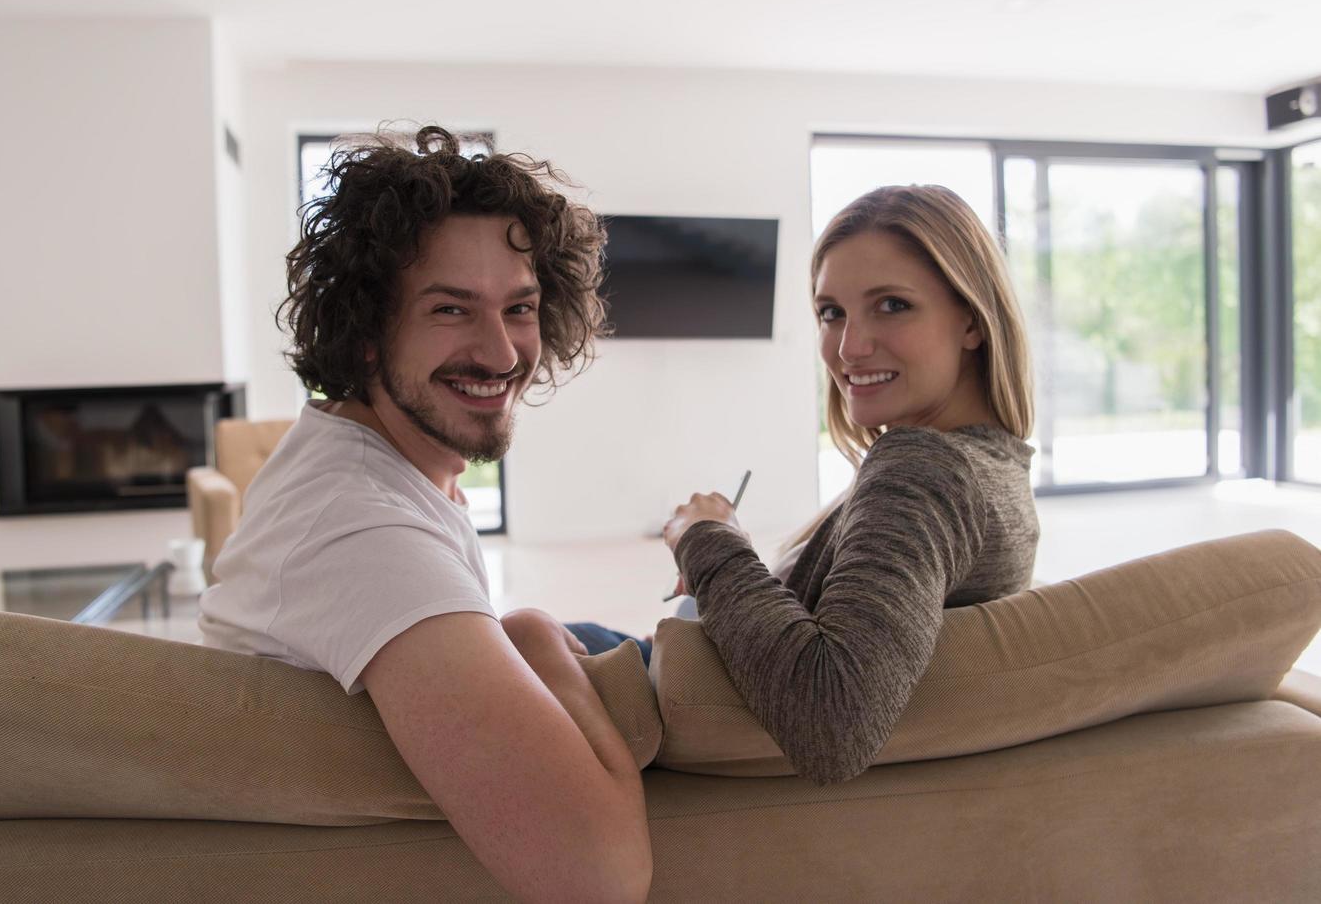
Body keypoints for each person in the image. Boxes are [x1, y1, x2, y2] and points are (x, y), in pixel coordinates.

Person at [199, 126, 651, 902]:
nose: (503, 353)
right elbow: (596, 879)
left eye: (519, 307)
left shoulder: (380, 468)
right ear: (366, 332)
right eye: (450, 309)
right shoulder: (361, 529)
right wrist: (537, 643)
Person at [662, 184, 1039, 785]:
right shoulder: (997, 468)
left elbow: (832, 721)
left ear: (971, 319)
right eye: (831, 312)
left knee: (526, 631)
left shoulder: (925, 468)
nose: (848, 348)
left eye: (892, 305)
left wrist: (704, 539)